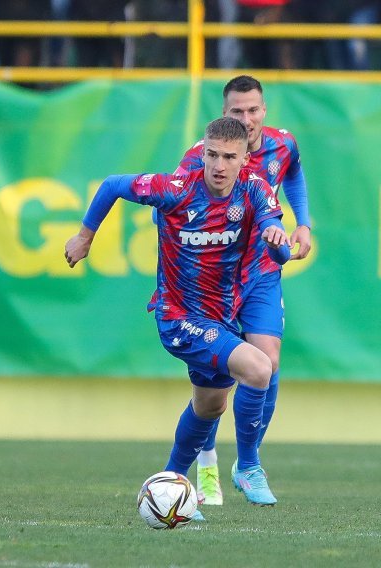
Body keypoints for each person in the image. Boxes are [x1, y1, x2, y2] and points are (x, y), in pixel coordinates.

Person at [65, 117, 291, 521]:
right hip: (178, 318)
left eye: (228, 157)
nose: (218, 165)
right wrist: (85, 236)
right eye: (211, 154)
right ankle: (249, 466)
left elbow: (277, 240)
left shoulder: (255, 190)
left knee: (209, 406)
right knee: (259, 367)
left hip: (220, 321)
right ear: (202, 152)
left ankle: (170, 483)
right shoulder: (177, 189)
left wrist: (277, 243)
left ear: (244, 160)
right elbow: (114, 183)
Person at [175, 75, 311, 506]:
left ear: (264, 110)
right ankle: (206, 464)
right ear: (223, 112)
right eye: (237, 111)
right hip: (215, 279)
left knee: (267, 361)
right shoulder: (203, 158)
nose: (247, 119)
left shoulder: (282, 145)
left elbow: (294, 177)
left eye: (253, 110)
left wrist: (301, 223)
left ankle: (248, 464)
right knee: (214, 386)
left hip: (262, 271)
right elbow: (179, 205)